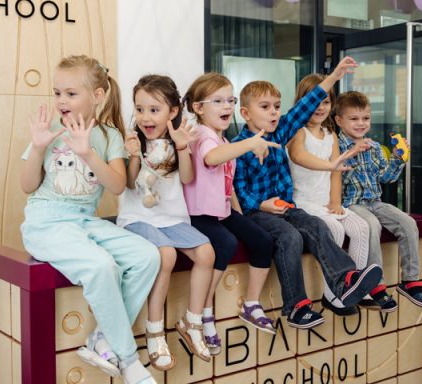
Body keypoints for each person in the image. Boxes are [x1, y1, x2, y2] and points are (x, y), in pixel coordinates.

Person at [19, 55, 160, 384]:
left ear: (97, 95)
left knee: (147, 256)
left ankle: (103, 338)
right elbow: (27, 186)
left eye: (70, 93)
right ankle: (128, 359)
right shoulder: (49, 131)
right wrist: (39, 148)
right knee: (101, 266)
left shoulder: (109, 136)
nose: (61, 101)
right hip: (46, 223)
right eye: (57, 93)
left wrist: (87, 153)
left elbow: (117, 185)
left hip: (85, 221)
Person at [232, 57, 383, 329]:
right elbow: (237, 190)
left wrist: (335, 76)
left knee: (315, 225)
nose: (274, 112)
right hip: (258, 212)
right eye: (265, 107)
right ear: (245, 113)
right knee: (289, 237)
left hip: (286, 207)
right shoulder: (237, 146)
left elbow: (306, 105)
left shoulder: (279, 134)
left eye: (277, 107)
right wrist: (263, 204)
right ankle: (297, 306)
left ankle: (345, 279)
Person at [117, 75, 216, 368]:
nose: (145, 117)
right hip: (137, 218)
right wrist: (133, 155)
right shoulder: (134, 141)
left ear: (173, 112)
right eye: (140, 109)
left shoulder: (179, 140)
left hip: (172, 220)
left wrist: (182, 147)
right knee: (166, 255)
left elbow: (186, 178)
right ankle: (154, 328)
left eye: (154, 109)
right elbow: (129, 183)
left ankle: (192, 321)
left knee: (207, 252)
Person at [182, 72, 280, 355]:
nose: (227, 106)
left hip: (221, 211)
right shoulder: (202, 135)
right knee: (225, 244)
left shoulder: (222, 138)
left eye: (230, 100)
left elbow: (228, 185)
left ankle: (251, 304)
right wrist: (250, 143)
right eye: (218, 101)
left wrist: (239, 217)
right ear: (199, 108)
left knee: (262, 240)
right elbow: (211, 159)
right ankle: (203, 312)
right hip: (200, 214)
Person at [286, 74, 374, 316]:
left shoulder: (331, 134)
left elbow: (336, 174)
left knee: (361, 228)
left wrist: (335, 201)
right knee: (334, 230)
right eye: (314, 101)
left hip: (326, 202)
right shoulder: (298, 131)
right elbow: (298, 156)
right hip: (303, 201)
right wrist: (331, 165)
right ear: (302, 102)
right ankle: (332, 293)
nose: (320, 107)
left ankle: (355, 288)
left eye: (325, 102)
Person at [335, 91, 422, 310]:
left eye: (365, 118)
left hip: (375, 201)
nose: (361, 124)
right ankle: (376, 286)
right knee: (371, 225)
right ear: (339, 121)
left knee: (408, 223)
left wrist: (398, 158)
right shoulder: (336, 147)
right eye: (354, 119)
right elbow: (334, 176)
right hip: (351, 204)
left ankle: (410, 280)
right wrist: (350, 153)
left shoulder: (375, 147)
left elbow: (386, 178)